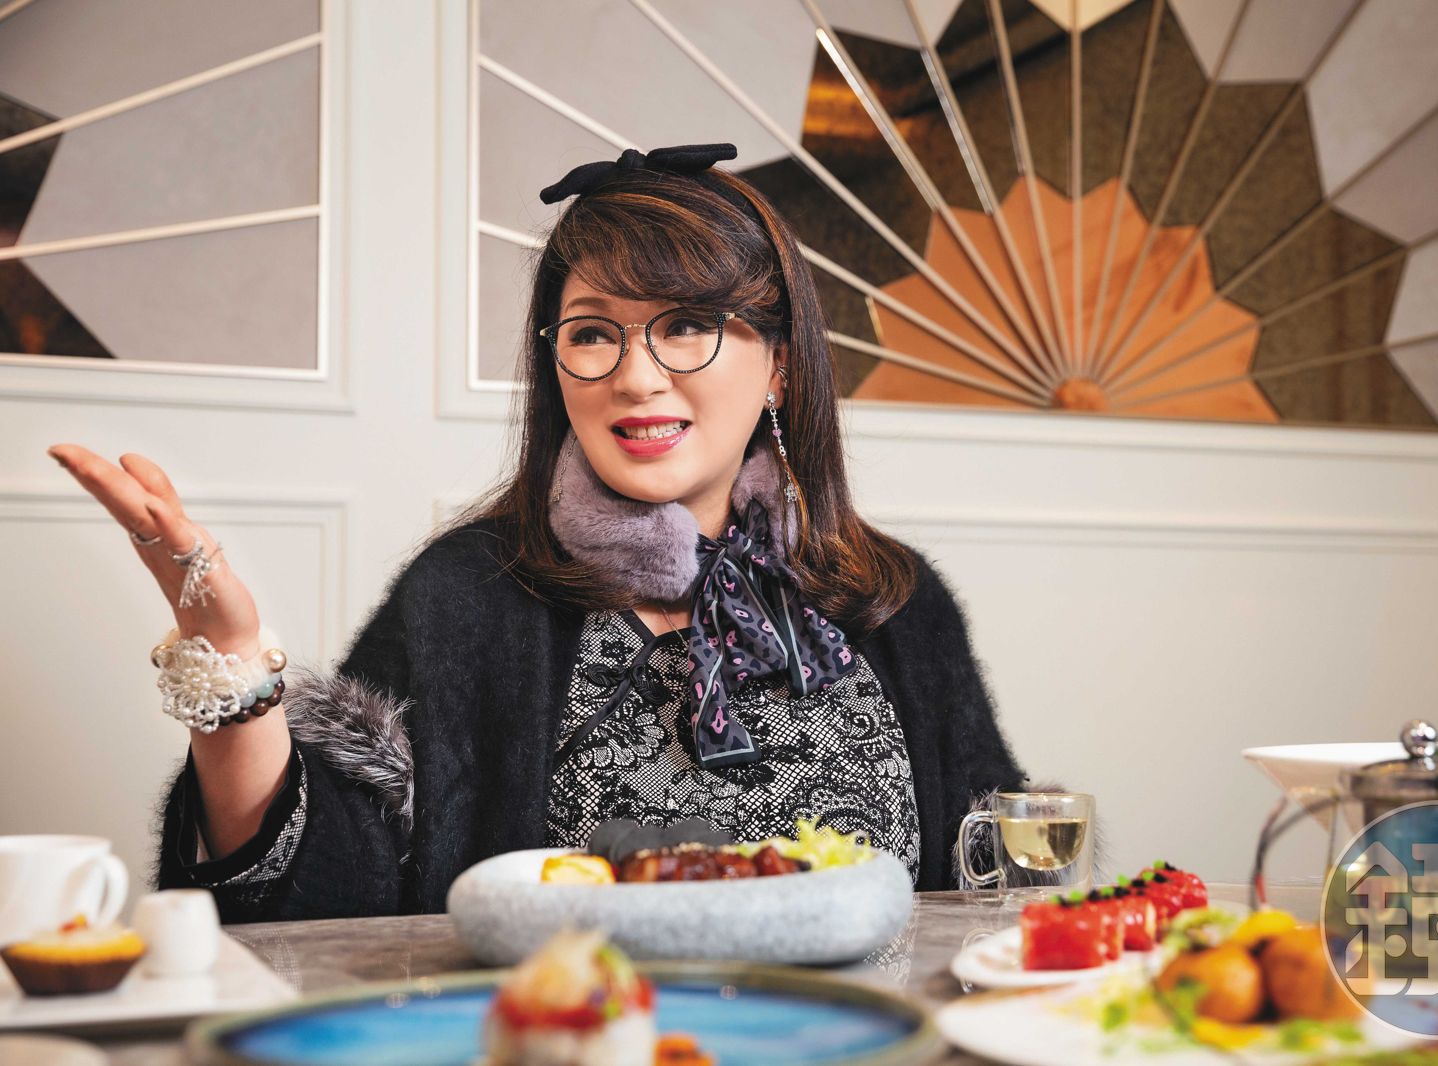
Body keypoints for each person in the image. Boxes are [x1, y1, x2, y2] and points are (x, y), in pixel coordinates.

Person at [48, 143, 1025, 922]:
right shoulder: (470, 596)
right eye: (593, 332)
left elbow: (1000, 890)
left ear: (778, 362)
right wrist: (229, 670)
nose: (636, 376)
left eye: (686, 324)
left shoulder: (892, 601)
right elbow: (316, 900)